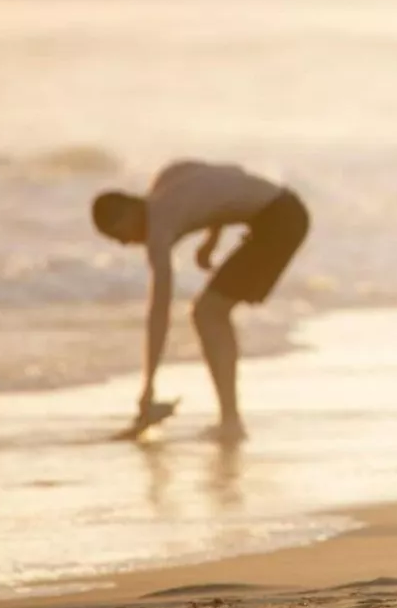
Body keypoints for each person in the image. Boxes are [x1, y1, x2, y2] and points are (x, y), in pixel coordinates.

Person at [91, 161, 311, 441]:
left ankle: (231, 422)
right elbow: (230, 175)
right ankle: (230, 418)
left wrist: (148, 387)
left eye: (118, 236)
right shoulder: (168, 177)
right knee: (212, 311)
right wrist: (211, 240)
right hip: (287, 207)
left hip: (280, 223)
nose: (124, 243)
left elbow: (159, 313)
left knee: (208, 312)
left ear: (126, 215)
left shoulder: (160, 227)